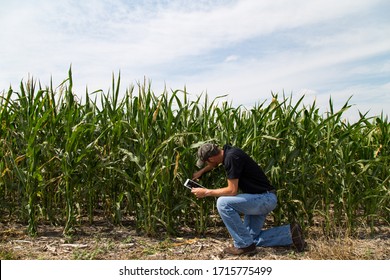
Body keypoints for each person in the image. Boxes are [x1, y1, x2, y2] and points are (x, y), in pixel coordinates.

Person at [191, 143, 305, 256]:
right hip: (260, 198)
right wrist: (201, 172)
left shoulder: (231, 158)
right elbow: (213, 164)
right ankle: (290, 233)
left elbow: (232, 191)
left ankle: (244, 246)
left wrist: (206, 192)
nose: (207, 164)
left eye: (206, 161)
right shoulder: (229, 152)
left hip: (263, 199)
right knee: (250, 238)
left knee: (222, 203)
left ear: (210, 158)